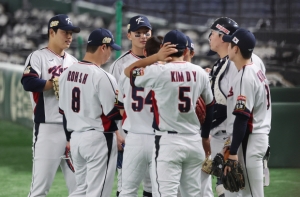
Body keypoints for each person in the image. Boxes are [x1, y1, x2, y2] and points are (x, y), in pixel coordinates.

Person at [124, 30, 215, 197]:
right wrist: (205, 137)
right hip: (194, 140)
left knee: (166, 194)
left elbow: (129, 71)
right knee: (193, 194)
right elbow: (210, 106)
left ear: (164, 48)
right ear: (186, 51)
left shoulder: (158, 71)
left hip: (168, 141)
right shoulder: (200, 72)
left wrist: (156, 57)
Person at [21, 14, 80, 197]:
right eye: (65, 32)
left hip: (72, 130)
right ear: (52, 32)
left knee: (80, 188)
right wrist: (52, 83)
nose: (69, 36)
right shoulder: (38, 57)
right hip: (48, 129)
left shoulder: (74, 62)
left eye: (71, 33)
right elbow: (28, 82)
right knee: (40, 189)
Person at [58, 28, 122, 196]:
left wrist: (68, 138)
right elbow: (113, 113)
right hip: (98, 139)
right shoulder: (102, 76)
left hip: (76, 139)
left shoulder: (65, 74)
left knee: (81, 190)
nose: (110, 53)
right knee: (97, 192)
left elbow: (63, 111)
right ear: (103, 47)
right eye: (110, 49)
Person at [222, 28, 271, 197]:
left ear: (236, 49)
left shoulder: (246, 75)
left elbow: (243, 118)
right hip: (257, 138)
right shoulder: (254, 70)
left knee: (252, 195)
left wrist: (233, 152)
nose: (227, 47)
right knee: (251, 193)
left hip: (251, 139)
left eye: (229, 44)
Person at [109, 15, 153, 197]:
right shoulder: (120, 65)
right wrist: (116, 133)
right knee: (125, 185)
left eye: (146, 33)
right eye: (138, 33)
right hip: (128, 133)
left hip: (154, 131)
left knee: (152, 185)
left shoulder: (160, 61)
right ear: (129, 36)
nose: (143, 37)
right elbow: (113, 104)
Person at [115, 36, 163, 197]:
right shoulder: (166, 73)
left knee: (128, 190)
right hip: (159, 138)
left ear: (144, 51)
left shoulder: (126, 74)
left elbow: (121, 107)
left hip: (134, 137)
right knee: (160, 191)